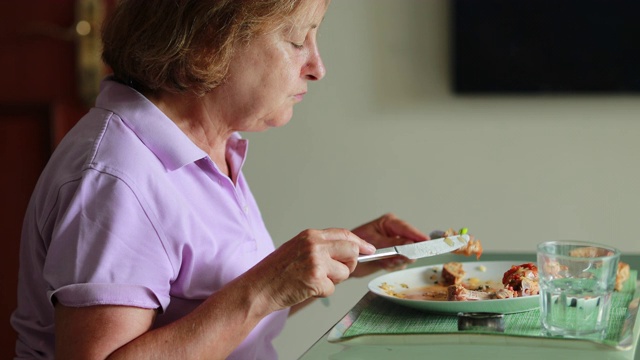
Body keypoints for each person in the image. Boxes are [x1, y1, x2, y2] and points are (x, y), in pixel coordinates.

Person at [10, 0, 430, 359]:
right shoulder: (117, 179)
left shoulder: (206, 148)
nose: (318, 67)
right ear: (210, 41)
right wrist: (266, 285)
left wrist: (323, 266)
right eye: (297, 39)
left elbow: (216, 314)